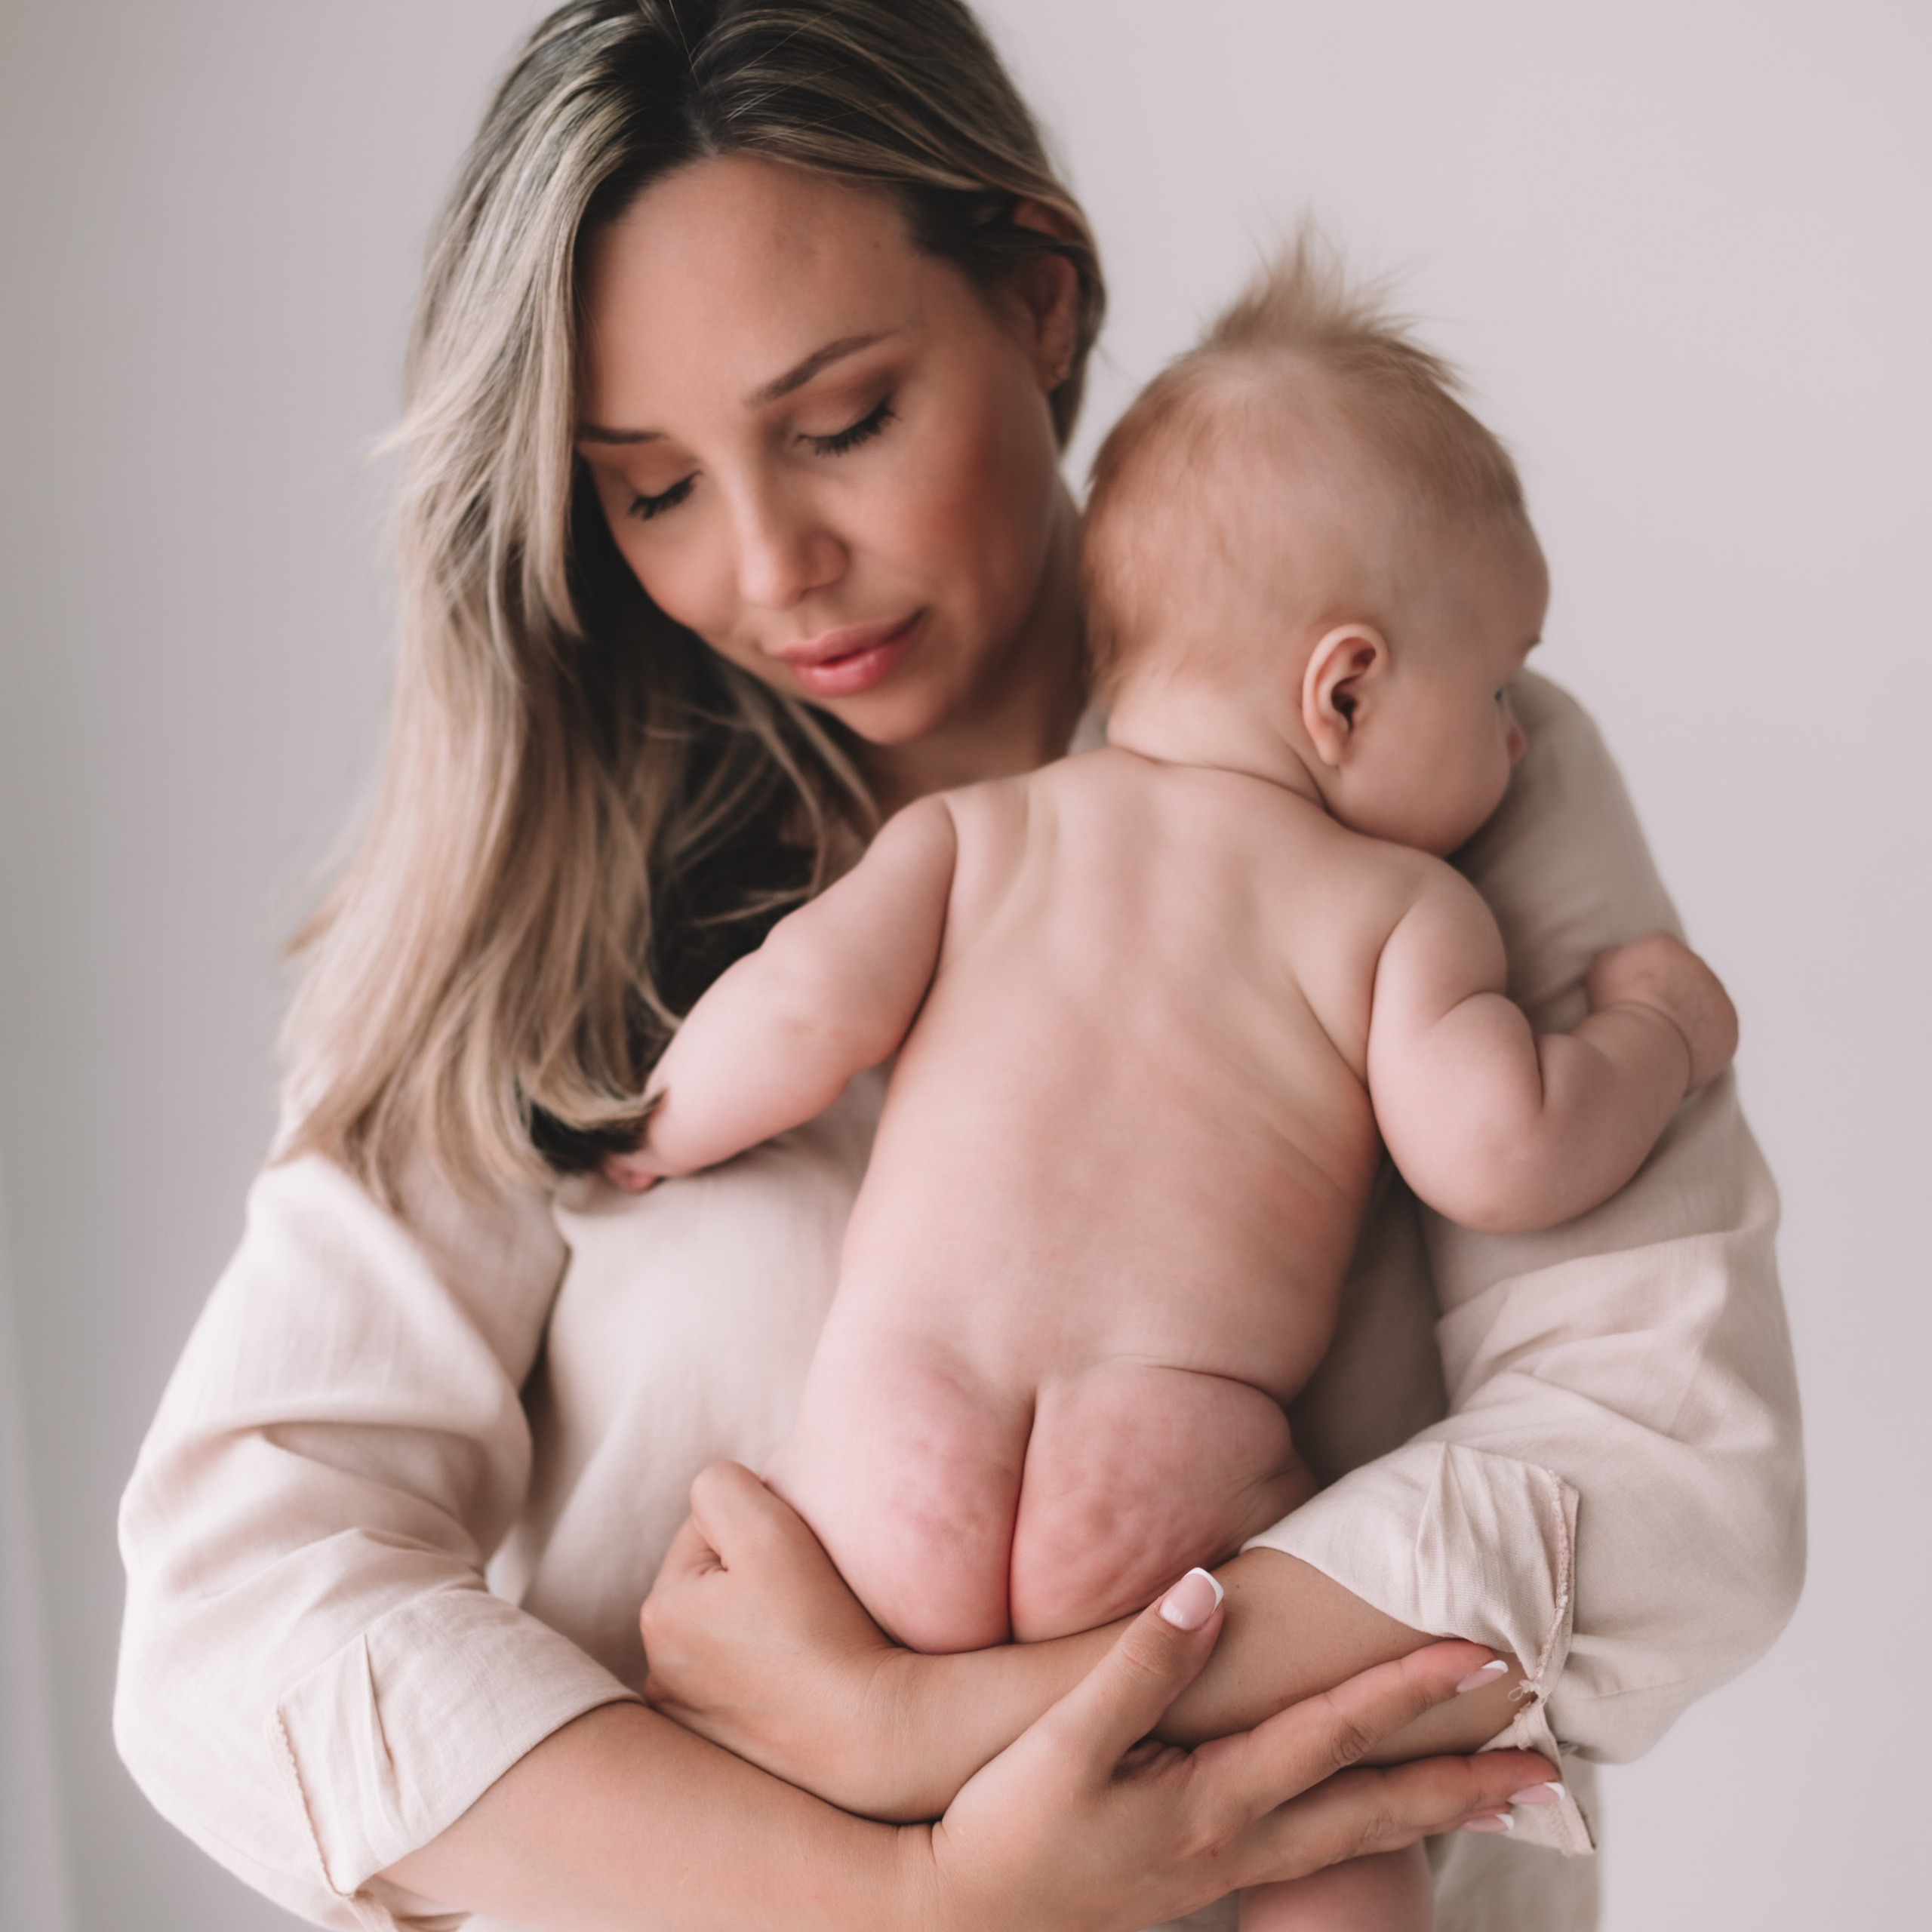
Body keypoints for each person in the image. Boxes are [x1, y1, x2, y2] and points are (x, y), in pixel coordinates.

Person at [112, 5, 1801, 1930]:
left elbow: (1667, 1477)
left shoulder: (1433, 763)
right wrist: (909, 1890)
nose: (773, 565)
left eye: (839, 425)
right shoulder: (554, 903)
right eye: (652, 486)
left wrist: (928, 1725)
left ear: (1038, 298)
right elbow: (238, 1619)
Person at [598, 246, 1740, 1932]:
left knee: (781, 1795)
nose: (1514, 740)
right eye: (1492, 686)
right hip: (1165, 1484)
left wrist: (658, 1129)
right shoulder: (1389, 909)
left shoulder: (985, 832)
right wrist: (1653, 1036)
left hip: (881, 1464)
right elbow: (1501, 1150)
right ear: (1340, 687)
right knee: (1310, 1803)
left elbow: (795, 1015)